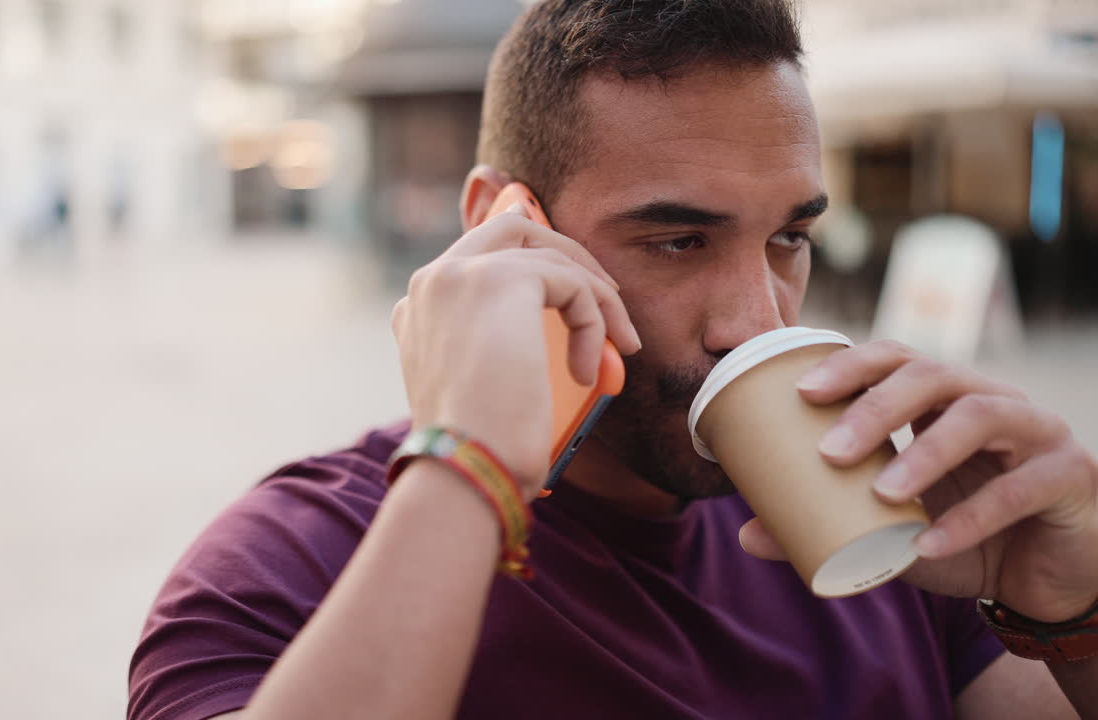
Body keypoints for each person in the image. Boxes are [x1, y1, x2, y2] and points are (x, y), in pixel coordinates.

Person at [128, 2, 1098, 718]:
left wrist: (1066, 611)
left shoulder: (893, 538)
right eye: (676, 241)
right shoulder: (284, 570)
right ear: (498, 231)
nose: (753, 323)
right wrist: (467, 461)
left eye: (787, 240)